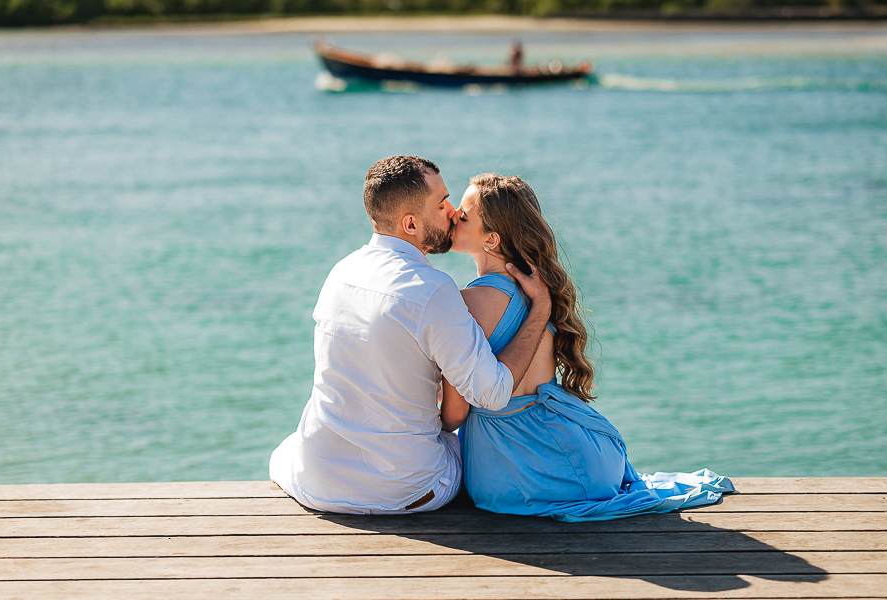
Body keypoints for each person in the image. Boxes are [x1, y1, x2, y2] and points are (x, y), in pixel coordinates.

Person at [441, 173, 735, 521]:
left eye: (463, 216)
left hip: (515, 471)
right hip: (577, 453)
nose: (452, 214)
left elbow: (453, 416)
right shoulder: (536, 292)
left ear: (491, 238)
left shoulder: (468, 303)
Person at [269, 157, 552, 515]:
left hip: (318, 482)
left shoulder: (340, 273)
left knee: (287, 448)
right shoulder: (435, 291)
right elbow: (493, 393)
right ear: (411, 223)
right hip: (407, 492)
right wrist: (541, 309)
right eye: (441, 203)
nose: (452, 211)